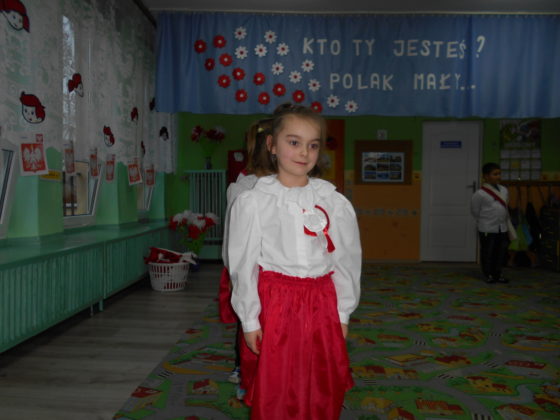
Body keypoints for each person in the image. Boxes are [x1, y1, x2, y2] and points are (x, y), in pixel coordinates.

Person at [227, 103, 361, 419]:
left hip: (321, 302)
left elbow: (346, 260)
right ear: (272, 145)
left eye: (312, 145)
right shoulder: (254, 201)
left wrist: (343, 312)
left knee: (320, 380)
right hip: (275, 302)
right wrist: (250, 319)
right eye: (294, 142)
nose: (304, 152)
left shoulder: (333, 201)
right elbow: (242, 265)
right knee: (277, 383)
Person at [219, 117, 273, 398]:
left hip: (274, 272)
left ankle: (254, 370)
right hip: (254, 269)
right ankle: (244, 369)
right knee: (249, 319)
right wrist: (234, 272)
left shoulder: (291, 185)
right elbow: (234, 237)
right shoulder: (243, 187)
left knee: (260, 321)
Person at [471, 162, 515, 283]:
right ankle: (488, 274)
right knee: (488, 252)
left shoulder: (504, 190)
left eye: (499, 174)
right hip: (487, 227)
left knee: (500, 252)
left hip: (502, 227)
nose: (498, 176)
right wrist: (486, 220)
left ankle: (498, 274)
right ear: (486, 176)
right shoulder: (480, 193)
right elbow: (475, 211)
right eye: (495, 174)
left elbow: (505, 206)